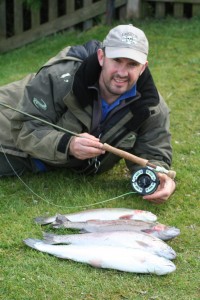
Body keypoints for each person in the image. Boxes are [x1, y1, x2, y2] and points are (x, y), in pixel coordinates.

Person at [0, 24, 176, 203]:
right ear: (101, 57)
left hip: (42, 161)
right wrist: (69, 144)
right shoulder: (59, 77)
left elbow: (153, 154)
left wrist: (158, 177)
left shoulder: (151, 107)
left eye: (132, 64)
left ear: (143, 67)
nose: (122, 73)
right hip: (8, 123)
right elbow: (24, 126)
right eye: (116, 60)